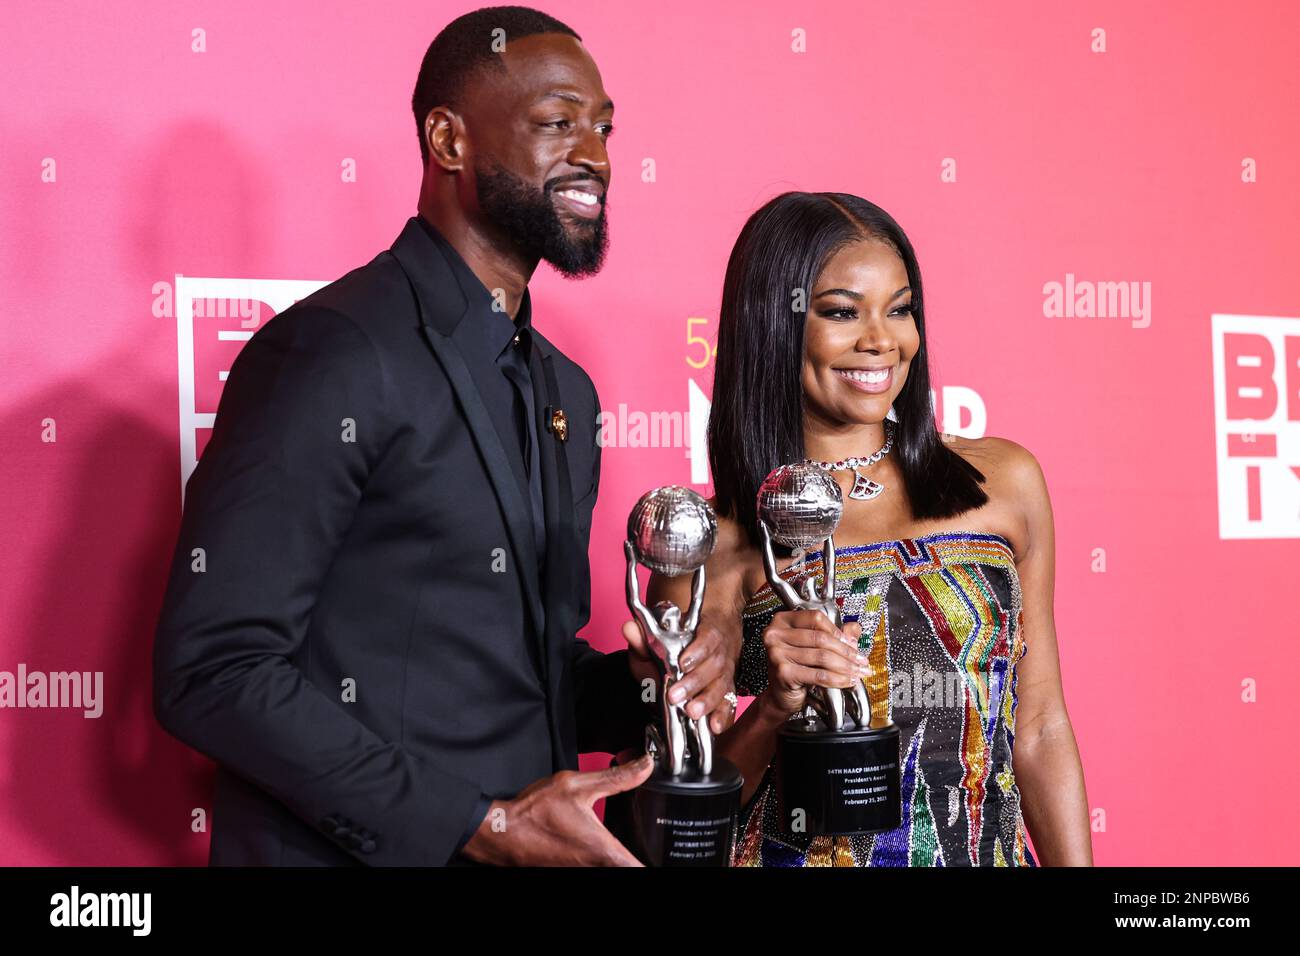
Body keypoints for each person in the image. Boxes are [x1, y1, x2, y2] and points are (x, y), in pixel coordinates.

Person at [152, 5, 737, 867]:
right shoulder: (332, 351)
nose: (596, 156)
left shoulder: (561, 390)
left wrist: (642, 686)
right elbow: (214, 670)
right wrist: (474, 824)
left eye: (604, 127)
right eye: (557, 123)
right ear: (448, 140)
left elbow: (513, 680)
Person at [646, 191, 1092, 866]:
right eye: (842, 312)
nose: (884, 340)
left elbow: (1039, 728)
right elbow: (681, 817)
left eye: (901, 308)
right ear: (775, 324)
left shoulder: (1003, 482)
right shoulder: (713, 545)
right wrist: (770, 709)